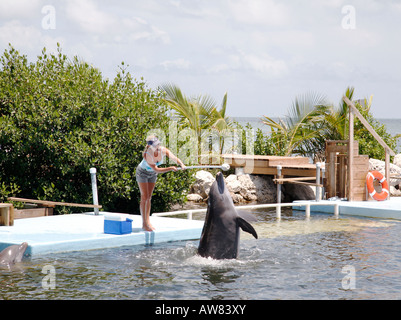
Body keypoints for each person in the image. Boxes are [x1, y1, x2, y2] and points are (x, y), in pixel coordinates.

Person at [136, 135, 186, 231]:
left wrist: (181, 164)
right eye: (155, 145)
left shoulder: (163, 150)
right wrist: (170, 168)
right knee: (144, 197)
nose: (158, 146)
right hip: (142, 173)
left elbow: (174, 158)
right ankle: (144, 223)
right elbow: (157, 169)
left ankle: (148, 221)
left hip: (152, 174)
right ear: (150, 146)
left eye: (158, 144)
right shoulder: (147, 154)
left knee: (149, 197)